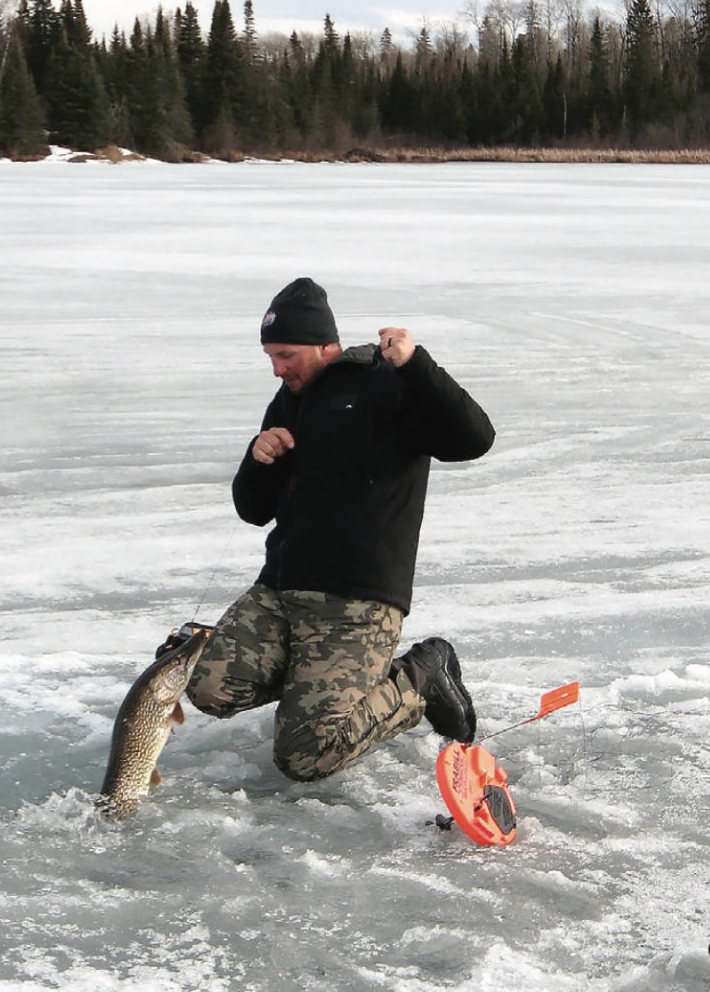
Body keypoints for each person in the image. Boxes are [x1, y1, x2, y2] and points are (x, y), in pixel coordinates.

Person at [181, 278, 495, 783]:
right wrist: (259, 459)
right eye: (270, 357)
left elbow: (475, 439)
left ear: (325, 344)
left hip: (356, 601)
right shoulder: (288, 401)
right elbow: (252, 510)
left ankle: (421, 677)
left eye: (285, 355)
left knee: (307, 755)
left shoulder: (386, 383)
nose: (277, 368)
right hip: (280, 591)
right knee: (208, 688)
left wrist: (417, 365)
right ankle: (318, 683)